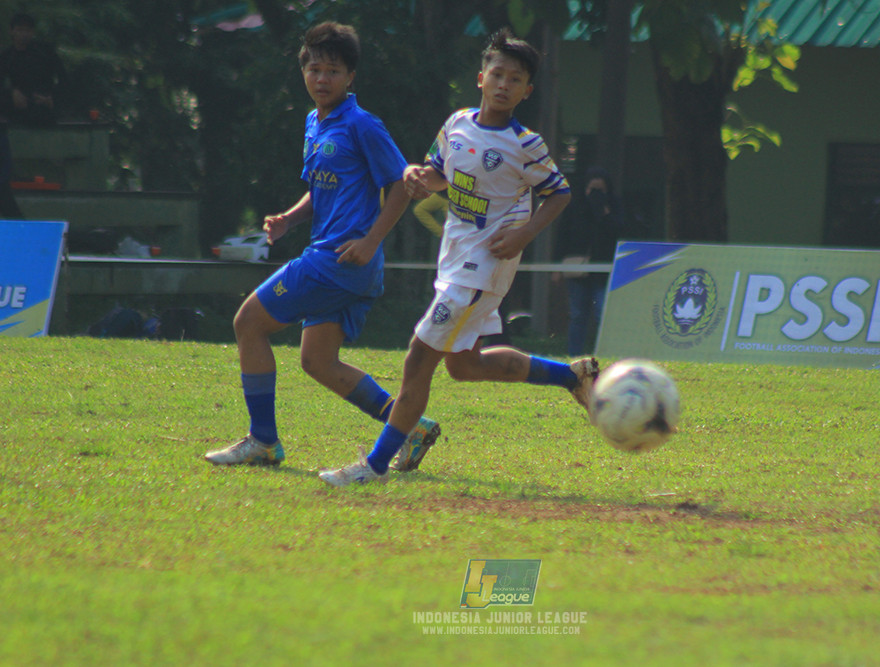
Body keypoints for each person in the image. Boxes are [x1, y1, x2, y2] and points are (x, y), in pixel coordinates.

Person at [319, 28, 598, 488]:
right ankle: (571, 376)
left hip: (484, 267)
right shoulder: (457, 124)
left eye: (515, 79)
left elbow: (559, 194)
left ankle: (375, 465)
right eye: (498, 74)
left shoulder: (525, 144)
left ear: (527, 91)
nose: (504, 84)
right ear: (481, 78)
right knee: (464, 365)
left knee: (418, 358)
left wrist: (523, 235)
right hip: (455, 257)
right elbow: (437, 175)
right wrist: (417, 177)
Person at [204, 22, 439, 467]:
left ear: (351, 76)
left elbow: (400, 184)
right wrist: (289, 219)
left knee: (248, 322)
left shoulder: (362, 124)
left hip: (337, 261)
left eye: (333, 70)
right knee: (317, 361)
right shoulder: (315, 122)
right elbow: (321, 187)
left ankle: (263, 441)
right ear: (303, 73)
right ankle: (410, 427)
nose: (322, 78)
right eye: (314, 69)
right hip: (340, 260)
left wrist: (371, 241)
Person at [553, 166, 624, 355]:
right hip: (578, 270)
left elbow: (620, 231)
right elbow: (562, 236)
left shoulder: (614, 206)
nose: (595, 195)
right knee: (578, 315)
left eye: (601, 190)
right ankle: (574, 354)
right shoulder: (574, 207)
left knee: (602, 313)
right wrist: (556, 267)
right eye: (592, 190)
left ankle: (604, 353)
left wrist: (606, 215)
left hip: (604, 271)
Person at [0, 13, 67, 126]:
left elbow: (64, 79)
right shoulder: (7, 56)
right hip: (18, 105)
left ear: (32, 32)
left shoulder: (45, 52)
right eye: (20, 30)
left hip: (43, 104)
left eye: (27, 31)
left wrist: (52, 98)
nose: (24, 34)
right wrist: (12, 92)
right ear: (12, 31)